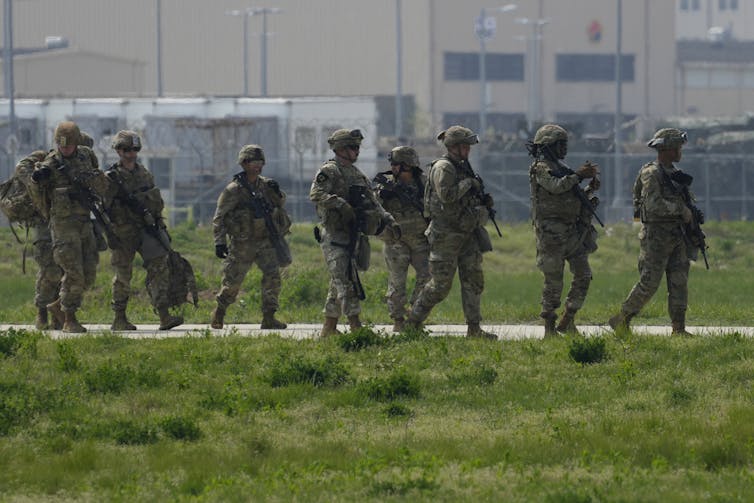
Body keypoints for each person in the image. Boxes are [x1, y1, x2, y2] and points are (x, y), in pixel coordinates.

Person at [404, 125, 496, 339]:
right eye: (464, 146)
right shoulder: (444, 167)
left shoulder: (463, 166)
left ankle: (474, 328)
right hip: (446, 235)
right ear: (453, 147)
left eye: (468, 146)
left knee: (473, 280)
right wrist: (468, 183)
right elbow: (446, 195)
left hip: (467, 233)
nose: (468, 150)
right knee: (440, 286)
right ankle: (413, 322)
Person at [310, 128, 400, 337]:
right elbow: (316, 193)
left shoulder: (357, 174)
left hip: (353, 235)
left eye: (358, 147)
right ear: (340, 149)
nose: (356, 151)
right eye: (352, 147)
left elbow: (373, 201)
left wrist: (389, 219)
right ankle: (356, 326)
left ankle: (329, 329)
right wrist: (340, 204)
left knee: (338, 282)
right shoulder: (330, 171)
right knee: (347, 282)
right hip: (334, 236)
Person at [609, 128, 698, 336]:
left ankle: (679, 328)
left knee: (679, 283)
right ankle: (622, 318)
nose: (680, 151)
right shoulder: (652, 173)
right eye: (677, 147)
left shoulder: (674, 174)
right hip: (657, 237)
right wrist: (680, 210)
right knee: (649, 282)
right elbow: (652, 206)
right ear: (666, 149)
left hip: (677, 236)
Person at [31, 121, 110, 333]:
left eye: (69, 145)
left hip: (84, 222)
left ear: (76, 143)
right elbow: (40, 195)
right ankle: (69, 318)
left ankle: (57, 306)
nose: (65, 149)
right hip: (63, 226)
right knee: (73, 271)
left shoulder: (85, 155)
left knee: (89, 271)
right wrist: (40, 180)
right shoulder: (50, 164)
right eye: (61, 145)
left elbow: (97, 178)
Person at [104, 130, 183, 330]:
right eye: (127, 149)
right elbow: (104, 208)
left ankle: (164, 315)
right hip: (123, 233)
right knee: (123, 275)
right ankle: (119, 318)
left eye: (135, 149)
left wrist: (160, 226)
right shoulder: (111, 178)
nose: (132, 153)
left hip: (147, 230)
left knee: (159, 268)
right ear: (119, 151)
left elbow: (154, 202)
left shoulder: (144, 173)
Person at [527, 124, 601, 338]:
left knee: (584, 275)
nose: (565, 148)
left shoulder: (562, 167)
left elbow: (569, 193)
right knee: (554, 281)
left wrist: (589, 188)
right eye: (561, 144)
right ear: (549, 145)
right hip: (551, 234)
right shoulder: (540, 168)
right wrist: (578, 175)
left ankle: (568, 319)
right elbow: (556, 187)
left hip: (573, 233)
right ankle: (549, 328)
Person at [211, 144, 291, 330]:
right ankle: (219, 312)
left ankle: (269, 317)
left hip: (265, 240)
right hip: (243, 243)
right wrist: (219, 241)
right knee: (233, 282)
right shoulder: (234, 190)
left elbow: (279, 203)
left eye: (260, 162)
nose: (257, 165)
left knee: (273, 277)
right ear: (244, 163)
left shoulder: (265, 185)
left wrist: (277, 192)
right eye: (253, 162)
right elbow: (219, 217)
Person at [373, 146, 430, 332]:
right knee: (397, 284)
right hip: (396, 240)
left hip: (421, 240)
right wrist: (381, 196)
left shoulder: (423, 183)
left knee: (428, 278)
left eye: (396, 164)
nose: (393, 167)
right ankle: (398, 321)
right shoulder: (386, 184)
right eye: (392, 164)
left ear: (408, 166)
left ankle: (415, 316)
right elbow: (374, 209)